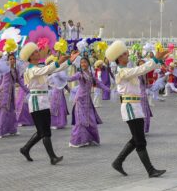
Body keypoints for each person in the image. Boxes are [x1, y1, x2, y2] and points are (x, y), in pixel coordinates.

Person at [107, 40, 170, 178]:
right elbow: (141, 69)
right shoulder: (122, 72)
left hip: (136, 106)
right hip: (130, 106)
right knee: (140, 141)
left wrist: (158, 60)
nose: (127, 54)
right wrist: (155, 59)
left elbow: (141, 69)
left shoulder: (127, 70)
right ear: (119, 58)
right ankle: (150, 170)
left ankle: (118, 162)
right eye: (124, 53)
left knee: (136, 139)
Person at [19, 42, 75, 165]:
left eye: (37, 51)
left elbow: (54, 69)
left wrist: (69, 62)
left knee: (41, 132)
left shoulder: (38, 68)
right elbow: (48, 68)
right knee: (45, 132)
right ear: (29, 56)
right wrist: (59, 61)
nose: (38, 53)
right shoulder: (31, 70)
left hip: (43, 100)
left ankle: (25, 149)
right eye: (34, 52)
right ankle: (52, 157)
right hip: (36, 101)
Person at [67, 56, 110, 147]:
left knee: (91, 120)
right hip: (79, 100)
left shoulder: (91, 74)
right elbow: (70, 79)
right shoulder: (79, 74)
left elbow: (98, 83)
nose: (83, 64)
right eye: (82, 62)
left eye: (85, 62)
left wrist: (108, 89)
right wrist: (60, 76)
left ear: (88, 64)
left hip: (88, 101)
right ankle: (77, 141)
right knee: (80, 121)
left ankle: (89, 139)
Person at [0, 52, 27, 138]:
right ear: (7, 60)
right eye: (10, 59)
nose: (12, 60)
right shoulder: (4, 69)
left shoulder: (15, 70)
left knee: (12, 111)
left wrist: (28, 90)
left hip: (11, 93)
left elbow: (20, 81)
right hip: (4, 93)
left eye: (13, 59)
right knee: (2, 111)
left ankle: (12, 129)